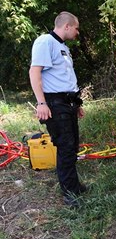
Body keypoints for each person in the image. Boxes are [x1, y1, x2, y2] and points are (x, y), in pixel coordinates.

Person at [29, 11, 86, 207]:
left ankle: (75, 185)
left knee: (73, 146)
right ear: (67, 26)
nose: (78, 32)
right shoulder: (45, 42)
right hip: (54, 103)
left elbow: (65, 79)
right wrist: (41, 103)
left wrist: (77, 104)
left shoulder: (62, 47)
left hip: (68, 103)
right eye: (76, 28)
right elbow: (34, 72)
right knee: (66, 147)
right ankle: (69, 193)